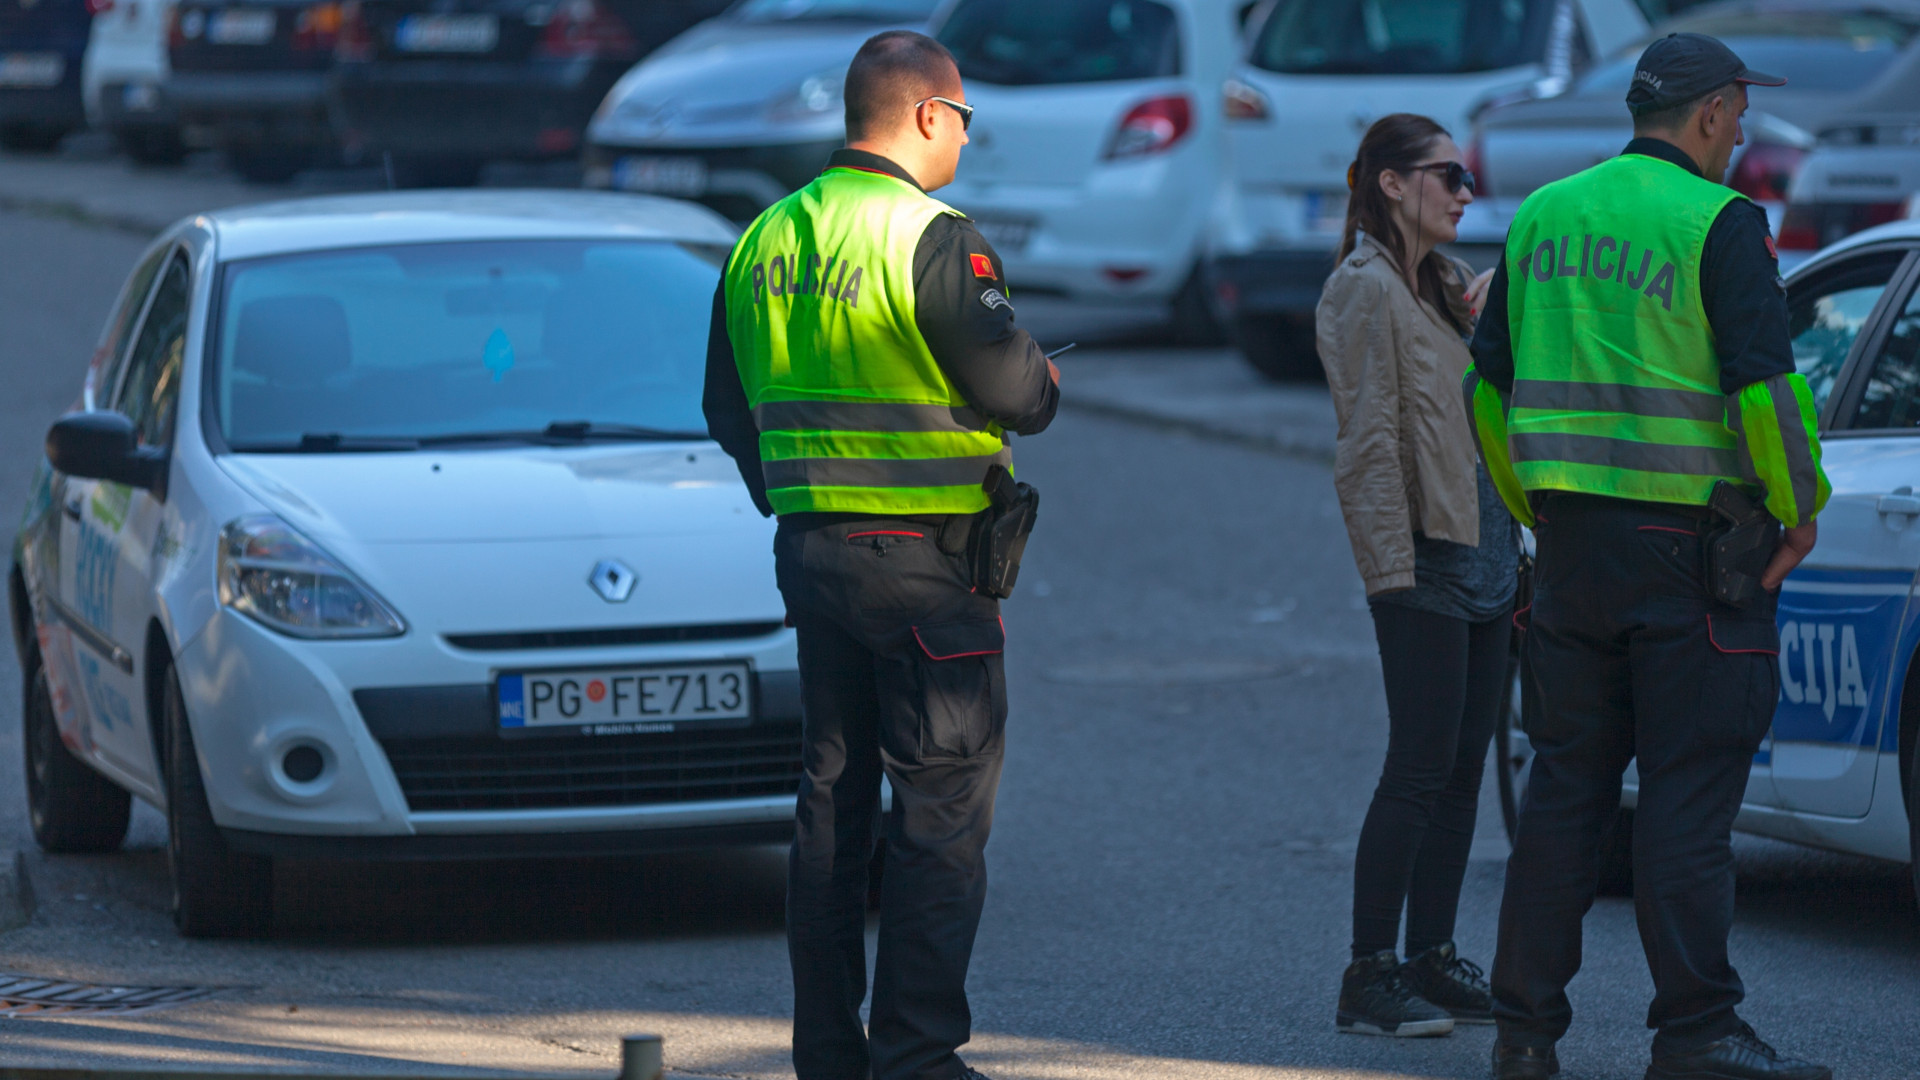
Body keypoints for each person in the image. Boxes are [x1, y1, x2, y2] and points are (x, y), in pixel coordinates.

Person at [1465, 33, 1831, 1080]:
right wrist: (1798, 510)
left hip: (1574, 550)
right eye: (1740, 113)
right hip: (1694, 559)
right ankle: (1698, 1037)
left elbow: (1483, 392)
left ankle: (1524, 1037)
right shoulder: (1719, 223)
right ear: (1712, 113)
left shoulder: (1542, 217)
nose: (1745, 132)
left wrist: (1532, 501)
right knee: (1685, 799)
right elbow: (1766, 393)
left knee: (1566, 795)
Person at [702, 29, 1059, 1080]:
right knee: (942, 812)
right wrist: (1042, 378)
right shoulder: (933, 233)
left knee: (832, 800)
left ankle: (830, 1053)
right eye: (963, 120)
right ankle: (916, 1054)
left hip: (814, 559)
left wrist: (800, 498)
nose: (962, 140)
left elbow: (727, 407)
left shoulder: (763, 236)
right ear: (925, 115)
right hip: (928, 571)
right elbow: (1014, 391)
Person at [1316, 113, 1516, 1040]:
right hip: (1424, 559)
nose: (1465, 190)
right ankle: (1370, 972)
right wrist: (1390, 572)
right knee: (1418, 766)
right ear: (1392, 184)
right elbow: (1367, 443)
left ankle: (1432, 955)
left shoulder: (1440, 287)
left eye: (1467, 175)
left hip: (1486, 553)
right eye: (1449, 175)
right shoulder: (1363, 289)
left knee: (1464, 771)